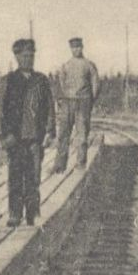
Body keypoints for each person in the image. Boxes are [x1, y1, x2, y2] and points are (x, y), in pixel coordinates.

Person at [0, 38, 56, 227]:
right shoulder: (8, 81)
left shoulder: (41, 80)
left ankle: (32, 212)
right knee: (15, 175)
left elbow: (49, 108)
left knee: (34, 176)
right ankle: (14, 213)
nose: (28, 59)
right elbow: (0, 111)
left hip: (35, 138)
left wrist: (49, 132)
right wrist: (5, 134)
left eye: (31, 56)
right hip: (15, 138)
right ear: (16, 57)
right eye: (24, 56)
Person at [51, 36, 100, 173]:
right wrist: (66, 97)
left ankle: (80, 164)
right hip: (68, 102)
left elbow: (95, 84)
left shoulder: (89, 65)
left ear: (82, 47)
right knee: (63, 135)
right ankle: (60, 166)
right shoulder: (65, 66)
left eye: (78, 47)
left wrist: (90, 101)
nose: (76, 50)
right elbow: (61, 82)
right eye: (73, 47)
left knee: (82, 135)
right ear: (70, 49)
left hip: (83, 103)